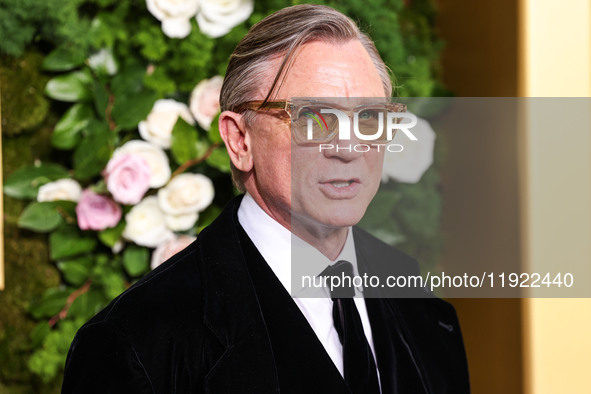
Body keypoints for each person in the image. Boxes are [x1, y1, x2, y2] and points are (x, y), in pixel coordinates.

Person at [62, 4, 470, 393]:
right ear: (239, 140)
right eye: (314, 118)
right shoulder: (135, 342)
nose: (349, 147)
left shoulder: (421, 304)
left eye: (369, 118)